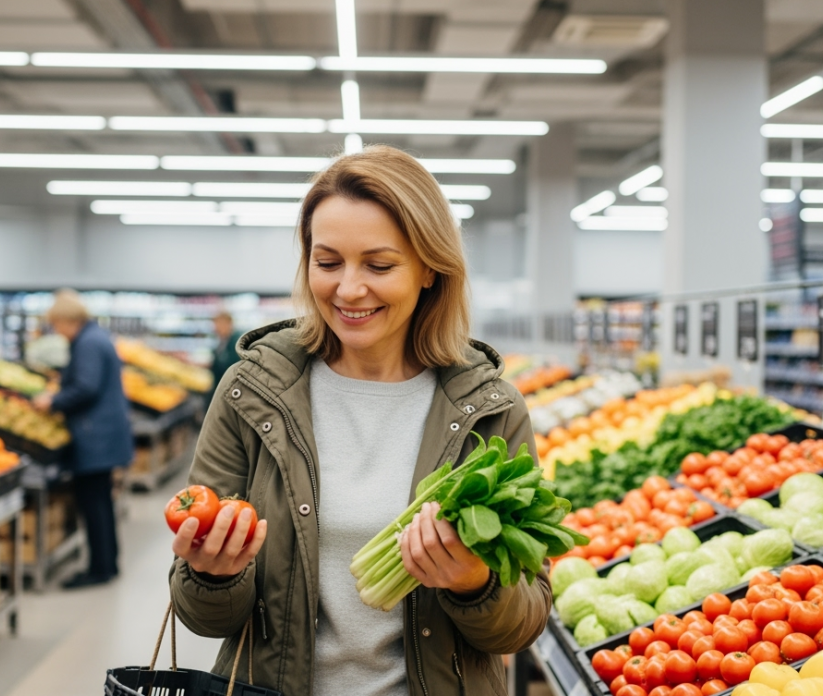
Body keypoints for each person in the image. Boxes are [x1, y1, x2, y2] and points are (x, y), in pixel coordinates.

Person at [168, 145, 549, 696]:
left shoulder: (490, 409)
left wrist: (475, 585)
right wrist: (212, 576)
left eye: (379, 265)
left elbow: (525, 618)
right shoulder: (251, 392)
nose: (348, 289)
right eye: (327, 263)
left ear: (429, 269)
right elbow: (203, 617)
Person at [33, 290, 132, 589]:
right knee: (101, 501)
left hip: (95, 436)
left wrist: (54, 401)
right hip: (104, 434)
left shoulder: (88, 343)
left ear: (66, 320)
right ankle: (107, 562)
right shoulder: (96, 337)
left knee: (94, 503)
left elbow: (86, 387)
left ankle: (99, 569)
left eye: (56, 324)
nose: (56, 331)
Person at [208, 310, 242, 389]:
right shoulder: (222, 341)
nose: (215, 328)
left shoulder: (236, 342)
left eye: (219, 324)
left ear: (229, 324)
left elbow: (231, 365)